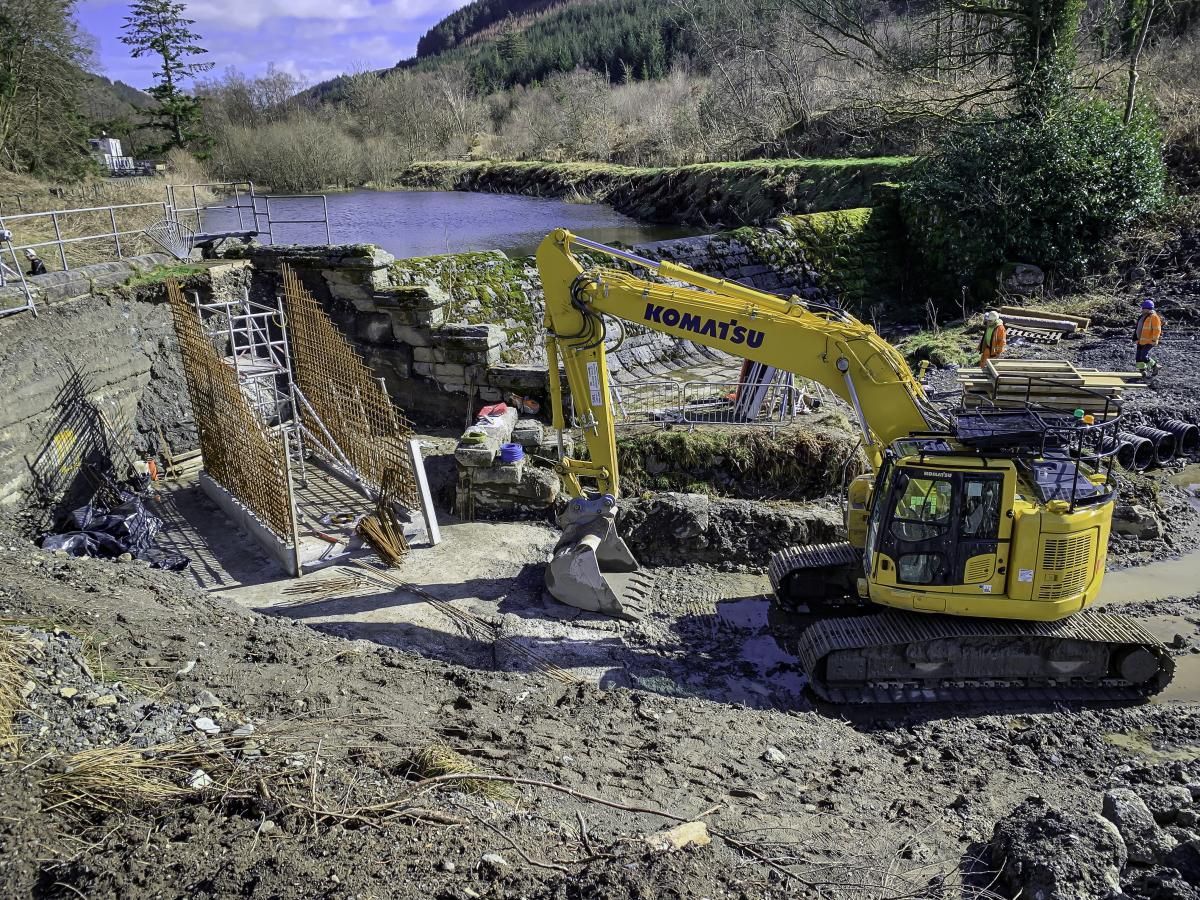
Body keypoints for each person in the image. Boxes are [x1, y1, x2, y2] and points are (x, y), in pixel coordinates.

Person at [1134, 298, 1162, 376]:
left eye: (1143, 308)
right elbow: (1138, 328)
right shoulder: (1142, 317)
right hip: (1141, 340)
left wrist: (1155, 340)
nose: (1142, 309)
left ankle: (1155, 366)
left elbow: (1157, 329)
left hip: (1149, 341)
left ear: (1148, 309)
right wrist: (1135, 338)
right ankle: (1142, 371)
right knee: (1138, 357)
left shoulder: (1154, 317)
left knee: (1143, 355)